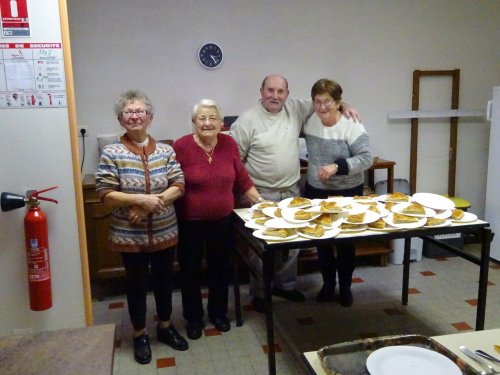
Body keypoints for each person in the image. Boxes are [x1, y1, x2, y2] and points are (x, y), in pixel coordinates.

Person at [230, 74, 360, 312]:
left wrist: (345, 105)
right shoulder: (247, 120)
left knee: (292, 244)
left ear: (287, 94)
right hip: (260, 193)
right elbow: (235, 161)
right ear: (261, 91)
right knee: (260, 247)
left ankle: (285, 286)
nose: (275, 96)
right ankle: (260, 292)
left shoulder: (296, 108)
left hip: (291, 190)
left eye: (280, 91)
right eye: (270, 90)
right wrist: (247, 191)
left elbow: (325, 100)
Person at [95, 90, 188, 365]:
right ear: (121, 120)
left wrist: (149, 205)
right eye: (128, 112)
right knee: (136, 284)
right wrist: (139, 199)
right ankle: (139, 333)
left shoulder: (166, 150)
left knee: (164, 281)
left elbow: (179, 185)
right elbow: (105, 192)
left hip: (164, 230)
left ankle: (165, 326)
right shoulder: (112, 152)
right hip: (128, 234)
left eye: (140, 111)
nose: (134, 116)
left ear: (150, 117)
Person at [173, 99, 262, 339]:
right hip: (189, 221)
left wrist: (261, 204)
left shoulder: (229, 144)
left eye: (212, 118)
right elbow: (172, 181)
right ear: (193, 122)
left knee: (220, 269)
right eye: (201, 118)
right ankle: (193, 318)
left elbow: (242, 178)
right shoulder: (181, 146)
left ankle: (218, 313)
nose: (207, 123)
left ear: (222, 123)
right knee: (190, 271)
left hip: (223, 220)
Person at [303, 78, 372, 307]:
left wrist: (337, 166)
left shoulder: (351, 125)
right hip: (317, 191)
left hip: (347, 192)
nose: (322, 107)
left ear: (338, 102)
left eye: (328, 102)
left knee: (345, 243)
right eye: (318, 102)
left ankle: (345, 287)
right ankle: (327, 285)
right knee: (322, 243)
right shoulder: (310, 120)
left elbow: (366, 159)